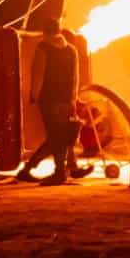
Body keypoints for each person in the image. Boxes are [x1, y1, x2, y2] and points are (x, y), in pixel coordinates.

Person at [21, 19, 80, 186]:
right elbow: (75, 77)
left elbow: (38, 74)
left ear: (45, 32)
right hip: (66, 100)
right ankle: (30, 170)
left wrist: (34, 96)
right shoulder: (72, 50)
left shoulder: (43, 48)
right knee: (59, 137)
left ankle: (58, 172)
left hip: (49, 100)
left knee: (56, 137)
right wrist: (73, 99)